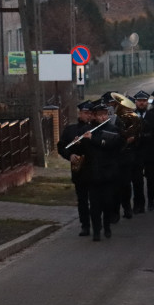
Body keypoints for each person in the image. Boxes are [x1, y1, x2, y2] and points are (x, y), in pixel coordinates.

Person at [81, 102, 123, 241]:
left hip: (108, 173)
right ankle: (97, 230)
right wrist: (79, 143)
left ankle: (107, 226)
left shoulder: (113, 129)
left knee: (107, 202)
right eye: (100, 115)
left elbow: (112, 145)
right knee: (94, 205)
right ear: (94, 116)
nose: (103, 117)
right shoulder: (87, 130)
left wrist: (93, 139)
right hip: (92, 173)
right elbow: (84, 151)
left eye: (105, 114)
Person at [57, 100, 94, 236]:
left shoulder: (97, 128)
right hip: (79, 170)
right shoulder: (71, 130)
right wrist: (70, 154)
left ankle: (97, 222)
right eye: (85, 113)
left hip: (95, 168)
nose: (88, 116)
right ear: (80, 113)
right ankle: (85, 225)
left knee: (96, 199)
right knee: (82, 199)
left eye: (90, 113)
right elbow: (61, 147)